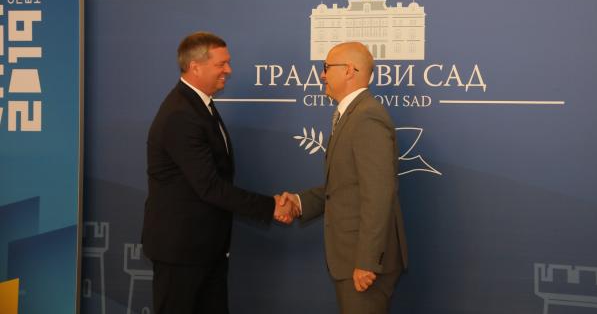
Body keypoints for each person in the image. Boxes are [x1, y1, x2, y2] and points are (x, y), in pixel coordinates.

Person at [141, 31, 294, 314]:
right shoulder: (181, 114)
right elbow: (210, 186)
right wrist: (271, 206)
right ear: (195, 67)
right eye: (221, 64)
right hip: (182, 251)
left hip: (205, 248)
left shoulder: (199, 105)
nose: (229, 70)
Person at [279, 41, 408, 313]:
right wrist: (300, 202)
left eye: (326, 67)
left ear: (349, 70)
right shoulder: (352, 114)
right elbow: (345, 187)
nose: (322, 74)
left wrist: (367, 261)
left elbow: (378, 193)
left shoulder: (367, 117)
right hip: (352, 259)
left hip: (363, 263)